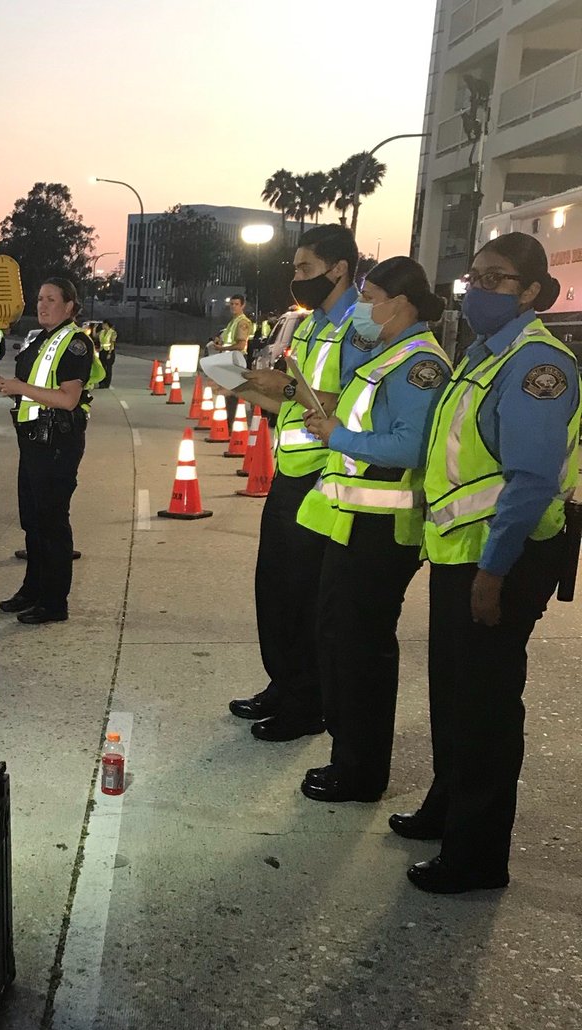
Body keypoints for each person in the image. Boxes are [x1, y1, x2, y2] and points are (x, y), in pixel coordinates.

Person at [391, 232, 580, 894]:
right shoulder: (483, 354)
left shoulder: (535, 366)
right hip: (463, 552)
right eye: (473, 277)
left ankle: (476, 857)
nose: (477, 289)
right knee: (454, 692)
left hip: (504, 558)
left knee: (487, 707)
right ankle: (447, 809)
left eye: (496, 279)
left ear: (531, 292)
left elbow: (529, 481)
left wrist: (493, 573)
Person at [292, 257, 450, 805]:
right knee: (338, 640)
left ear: (400, 304)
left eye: (371, 296)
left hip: (384, 529)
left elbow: (409, 445)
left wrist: (339, 437)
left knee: (360, 651)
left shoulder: (419, 364)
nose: (362, 307)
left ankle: (361, 772)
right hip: (356, 522)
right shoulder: (390, 353)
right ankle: (348, 755)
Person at [230, 225, 369, 741]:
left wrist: (286, 386)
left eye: (305, 268)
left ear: (339, 269)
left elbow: (354, 402)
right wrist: (244, 387)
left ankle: (307, 702)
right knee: (275, 589)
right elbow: (292, 401)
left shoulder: (362, 326)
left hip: (325, 476)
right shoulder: (309, 327)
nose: (297, 278)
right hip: (289, 473)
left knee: (305, 595)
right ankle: (284, 682)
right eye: (295, 268)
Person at [0, 278, 104, 624]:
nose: (42, 305)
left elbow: (69, 399)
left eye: (51, 299)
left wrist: (19, 387)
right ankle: (33, 590)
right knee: (33, 519)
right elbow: (38, 388)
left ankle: (54, 602)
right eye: (39, 299)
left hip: (57, 442)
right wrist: (12, 390)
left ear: (69, 306)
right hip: (34, 439)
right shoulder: (42, 339)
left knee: (52, 521)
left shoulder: (75, 344)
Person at [98, 321, 117, 388]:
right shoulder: (102, 332)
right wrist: (94, 329)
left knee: (108, 368)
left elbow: (112, 342)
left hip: (109, 351)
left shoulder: (112, 332)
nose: (102, 326)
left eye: (103, 324)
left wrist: (109, 353)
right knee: (102, 367)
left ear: (107, 325)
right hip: (102, 350)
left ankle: (107, 383)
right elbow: (95, 336)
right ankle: (101, 382)